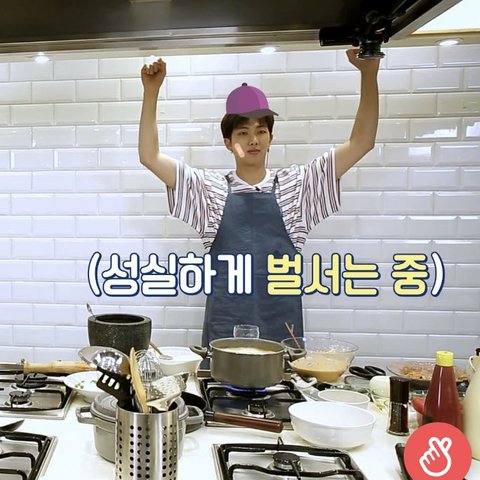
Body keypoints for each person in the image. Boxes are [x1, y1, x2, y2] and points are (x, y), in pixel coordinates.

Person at [139, 49, 380, 346]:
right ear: (228, 143)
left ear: (270, 139)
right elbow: (149, 156)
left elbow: (362, 142)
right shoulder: (209, 191)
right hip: (224, 341)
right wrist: (151, 92)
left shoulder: (297, 187)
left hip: (281, 342)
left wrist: (369, 74)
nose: (253, 140)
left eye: (261, 131)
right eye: (242, 133)